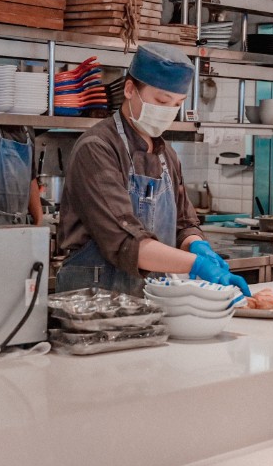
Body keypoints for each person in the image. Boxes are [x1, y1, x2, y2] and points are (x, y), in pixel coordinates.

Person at [56, 43, 250, 298]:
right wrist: (196, 265)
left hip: (149, 301)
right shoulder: (96, 149)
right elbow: (125, 241)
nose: (168, 111)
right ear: (129, 90)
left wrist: (197, 245)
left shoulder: (167, 155)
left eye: (177, 103)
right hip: (92, 301)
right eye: (161, 100)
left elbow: (183, 223)